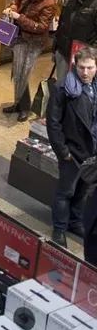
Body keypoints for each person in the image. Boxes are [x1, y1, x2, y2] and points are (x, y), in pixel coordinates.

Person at [47, 46, 97, 246]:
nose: (85, 72)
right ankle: (59, 228)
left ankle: (74, 222)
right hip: (72, 151)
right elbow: (53, 123)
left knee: (83, 190)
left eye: (90, 68)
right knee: (65, 191)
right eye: (81, 67)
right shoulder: (63, 88)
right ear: (75, 65)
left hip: (92, 152)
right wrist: (63, 151)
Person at [3, 0, 57, 122]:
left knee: (24, 73)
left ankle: (25, 107)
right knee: (17, 72)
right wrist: (12, 9)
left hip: (35, 42)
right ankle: (18, 103)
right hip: (20, 37)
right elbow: (17, 2)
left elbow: (41, 27)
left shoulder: (49, 3)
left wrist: (19, 17)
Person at [54, 0, 97, 82]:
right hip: (63, 51)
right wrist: (56, 48)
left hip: (83, 57)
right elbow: (62, 22)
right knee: (62, 86)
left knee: (79, 88)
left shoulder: (95, 3)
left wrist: (90, 55)